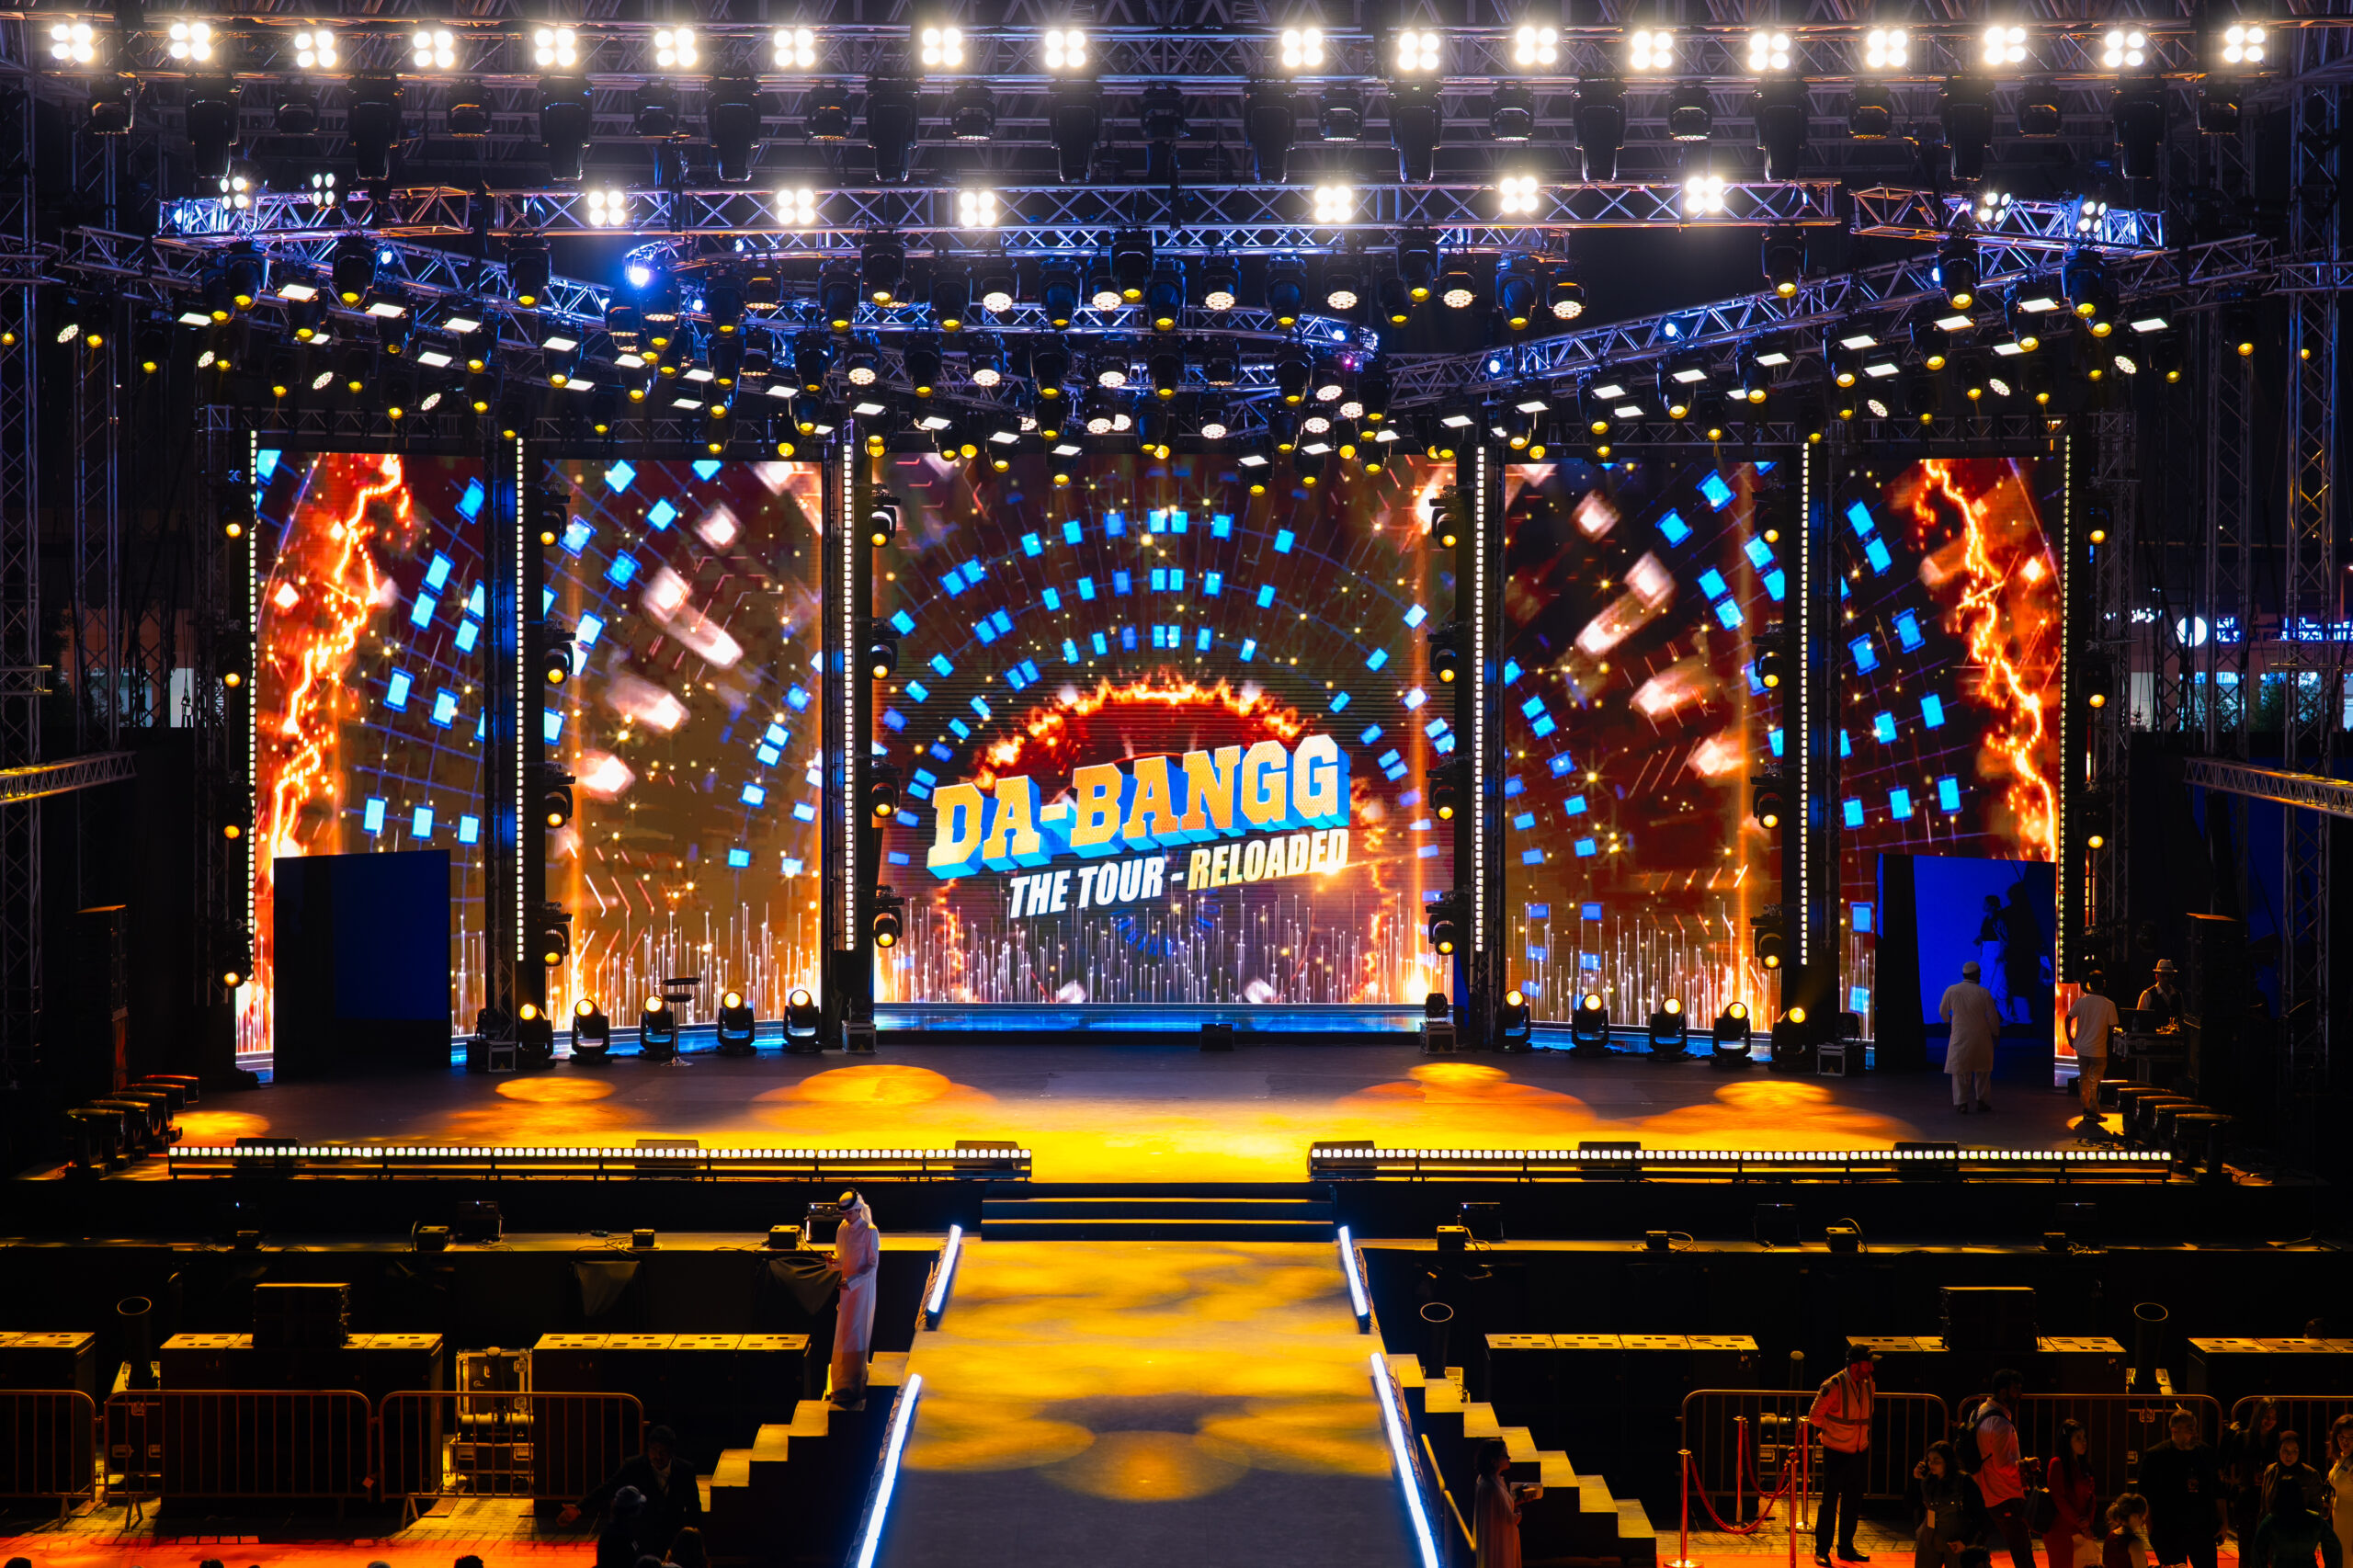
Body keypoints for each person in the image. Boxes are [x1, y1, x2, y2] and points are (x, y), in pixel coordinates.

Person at [562, 1427, 701, 1558]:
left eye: (663, 1452)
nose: (658, 1456)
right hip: (642, 1538)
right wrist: (579, 1508)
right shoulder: (634, 1466)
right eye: (654, 1450)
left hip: (673, 1538)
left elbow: (694, 1507)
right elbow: (609, 1488)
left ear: (671, 1451)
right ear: (648, 1448)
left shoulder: (685, 1471)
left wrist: (694, 1538)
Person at [1811, 1345, 1879, 1565]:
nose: (1872, 1368)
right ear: (1856, 1365)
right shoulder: (1834, 1385)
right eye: (1868, 1364)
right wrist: (1834, 1435)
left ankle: (1846, 1548)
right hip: (1836, 1453)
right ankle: (1822, 1550)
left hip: (1859, 1451)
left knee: (1853, 1503)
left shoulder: (1869, 1384)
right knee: (1829, 1503)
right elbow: (1814, 1417)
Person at [2141, 1409, 2226, 1568]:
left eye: (2194, 1428)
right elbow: (2146, 1496)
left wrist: (2223, 1523)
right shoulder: (2156, 1456)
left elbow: (2218, 1491)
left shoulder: (2206, 1453)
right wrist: (2151, 1529)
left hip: (2202, 1527)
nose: (2194, 1433)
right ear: (2174, 1430)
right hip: (2169, 1528)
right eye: (2189, 1428)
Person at [1970, 1369, 2035, 1568]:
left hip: (1984, 1491)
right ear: (2003, 1392)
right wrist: (2025, 1464)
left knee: (1976, 1547)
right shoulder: (2000, 1424)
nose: (2020, 1395)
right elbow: (2003, 1466)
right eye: (2016, 1389)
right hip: (2005, 1495)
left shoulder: (1978, 1411)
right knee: (2022, 1551)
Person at [2252, 1431, 2343, 1568]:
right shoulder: (2271, 1472)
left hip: (2303, 1542)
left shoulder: (2310, 1475)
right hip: (2278, 1544)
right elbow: (2264, 1507)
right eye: (2285, 1450)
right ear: (2279, 1450)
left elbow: (2317, 1508)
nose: (2289, 1455)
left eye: (2294, 1451)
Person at [829, 1189, 881, 1408]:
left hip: (862, 1291)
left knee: (857, 1333)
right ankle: (841, 1384)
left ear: (858, 1210)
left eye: (849, 1213)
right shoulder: (843, 1229)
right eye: (844, 1214)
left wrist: (853, 1281)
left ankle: (855, 1385)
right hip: (846, 1289)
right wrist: (832, 1263)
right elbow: (841, 1260)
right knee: (844, 1333)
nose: (846, 1217)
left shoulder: (870, 1232)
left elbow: (872, 1265)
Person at [1941, 961, 2005, 1114]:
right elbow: (1992, 1017)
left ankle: (1961, 1103)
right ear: (1977, 975)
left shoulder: (1952, 990)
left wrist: (1949, 1022)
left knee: (1961, 1071)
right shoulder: (1984, 992)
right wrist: (1996, 1033)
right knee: (1983, 1071)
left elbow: (1943, 1011)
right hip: (1981, 1037)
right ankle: (1982, 1101)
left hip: (1960, 1035)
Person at [1473, 1437, 1541, 1568]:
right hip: (1500, 1544)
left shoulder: (1487, 1481)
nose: (1509, 1458)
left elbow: (1498, 1510)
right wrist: (1519, 1514)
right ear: (1494, 1461)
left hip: (1495, 1542)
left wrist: (1518, 1500)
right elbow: (1509, 1518)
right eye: (1505, 1455)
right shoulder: (1492, 1487)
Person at [2066, 981, 2122, 1127]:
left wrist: (2070, 1038)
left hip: (2082, 1047)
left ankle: (2086, 1108)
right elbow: (2114, 1029)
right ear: (2104, 985)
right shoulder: (2109, 1004)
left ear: (2089, 985)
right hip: (2098, 1049)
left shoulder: (2081, 1002)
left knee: (2083, 1078)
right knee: (2095, 1080)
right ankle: (2093, 1110)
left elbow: (2068, 1018)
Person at [2231, 1400, 2289, 1540]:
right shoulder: (2243, 1438)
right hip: (2248, 1494)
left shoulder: (2279, 1440)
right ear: (2258, 1416)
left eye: (2274, 1417)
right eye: (2267, 1417)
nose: (2270, 1421)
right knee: (2247, 1540)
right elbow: (2229, 1466)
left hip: (2272, 1496)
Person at [2049, 1418, 2100, 1568]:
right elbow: (2058, 1498)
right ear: (2067, 1441)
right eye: (2078, 1438)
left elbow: (2091, 1497)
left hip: (2081, 1528)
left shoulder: (2084, 1466)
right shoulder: (2058, 1464)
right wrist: (2080, 1522)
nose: (2084, 1442)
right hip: (2062, 1528)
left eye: (2084, 1437)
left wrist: (2088, 1522)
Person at [1912, 1439, 1971, 1568]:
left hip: (1954, 1537)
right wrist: (1916, 1479)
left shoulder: (1963, 1480)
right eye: (1929, 1461)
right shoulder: (1928, 1481)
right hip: (1929, 1536)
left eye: (1936, 1461)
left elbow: (1978, 1515)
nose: (1932, 1464)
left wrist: (1966, 1540)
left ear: (1947, 1462)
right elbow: (1910, 1503)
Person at [2326, 1416, 2353, 1568]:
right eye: (2341, 1437)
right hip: (2340, 1517)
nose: (2345, 1442)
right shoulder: (2342, 1457)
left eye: (2351, 1438)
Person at [2105, 1494, 2154, 1568]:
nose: (2143, 1522)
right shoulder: (2135, 1543)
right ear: (2135, 1516)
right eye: (2143, 1517)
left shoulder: (2110, 1536)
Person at [2137, 960, 2185, 1026]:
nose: (2166, 978)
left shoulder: (2178, 995)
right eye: (2163, 975)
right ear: (2157, 976)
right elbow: (2140, 1019)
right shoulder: (2148, 994)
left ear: (2173, 977)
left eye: (2169, 975)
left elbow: (2182, 1018)